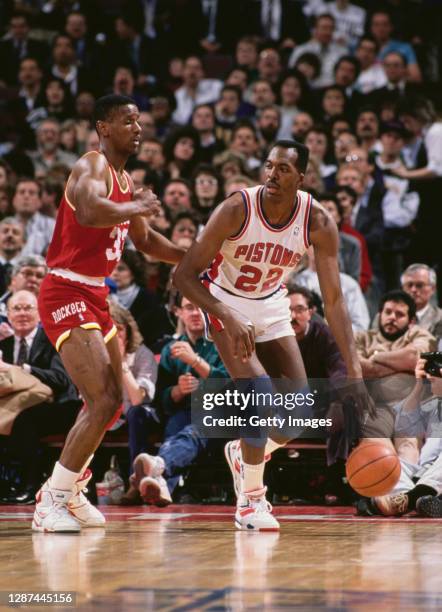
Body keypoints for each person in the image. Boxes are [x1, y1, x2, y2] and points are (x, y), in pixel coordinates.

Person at [175, 139, 371, 531]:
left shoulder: (318, 221)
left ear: (302, 176)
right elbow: (183, 275)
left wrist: (355, 372)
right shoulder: (236, 208)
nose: (272, 175)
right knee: (258, 391)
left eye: (283, 169)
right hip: (223, 299)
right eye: (269, 166)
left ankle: (244, 453)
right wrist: (226, 315)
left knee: (298, 413)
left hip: (270, 302)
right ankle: (250, 501)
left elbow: (333, 301)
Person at [33, 94, 185, 533]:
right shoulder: (92, 165)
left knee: (110, 401)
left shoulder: (124, 178)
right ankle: (53, 498)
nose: (137, 128)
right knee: (101, 397)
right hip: (65, 288)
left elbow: (149, 243)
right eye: (127, 121)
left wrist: (195, 256)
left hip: (96, 294)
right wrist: (136, 205)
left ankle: (73, 488)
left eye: (139, 121)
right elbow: (89, 208)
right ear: (103, 127)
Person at [0, 290, 81, 504]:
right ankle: (6, 484)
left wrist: (20, 369)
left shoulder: (54, 339)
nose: (22, 313)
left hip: (60, 405)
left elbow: (61, 379)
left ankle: (30, 485)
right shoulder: (4, 345)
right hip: (15, 405)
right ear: (7, 314)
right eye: (16, 309)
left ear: (39, 313)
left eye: (28, 308)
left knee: (25, 420)